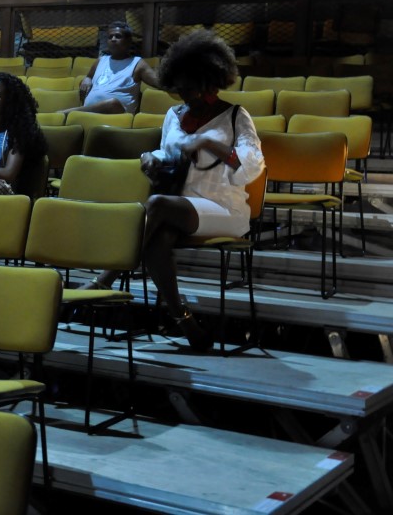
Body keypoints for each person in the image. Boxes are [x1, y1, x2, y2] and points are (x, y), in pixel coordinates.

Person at [87, 30, 265, 352]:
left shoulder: (236, 116)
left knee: (156, 204)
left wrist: (209, 143)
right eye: (178, 89)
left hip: (223, 207)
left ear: (209, 82)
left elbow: (254, 165)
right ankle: (186, 322)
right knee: (157, 241)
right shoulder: (174, 115)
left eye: (189, 88)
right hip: (182, 206)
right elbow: (166, 153)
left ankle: (105, 278)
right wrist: (150, 159)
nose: (183, 95)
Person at [67, 21, 159, 115]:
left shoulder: (137, 63)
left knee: (112, 104)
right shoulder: (101, 60)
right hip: (89, 117)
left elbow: (159, 83)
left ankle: (67, 113)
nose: (113, 39)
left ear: (128, 41)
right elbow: (89, 76)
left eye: (118, 36)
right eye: (110, 37)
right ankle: (74, 114)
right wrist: (87, 79)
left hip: (118, 116)